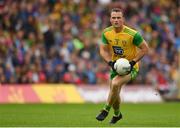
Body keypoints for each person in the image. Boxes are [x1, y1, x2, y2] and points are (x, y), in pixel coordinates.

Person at [96, 8, 149, 124]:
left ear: (123, 19)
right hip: (116, 66)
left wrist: (133, 62)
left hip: (131, 68)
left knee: (115, 84)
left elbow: (145, 49)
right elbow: (103, 51)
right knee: (115, 91)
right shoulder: (106, 33)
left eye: (118, 18)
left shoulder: (132, 34)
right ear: (110, 19)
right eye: (114, 18)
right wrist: (110, 62)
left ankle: (105, 110)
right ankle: (117, 115)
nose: (116, 20)